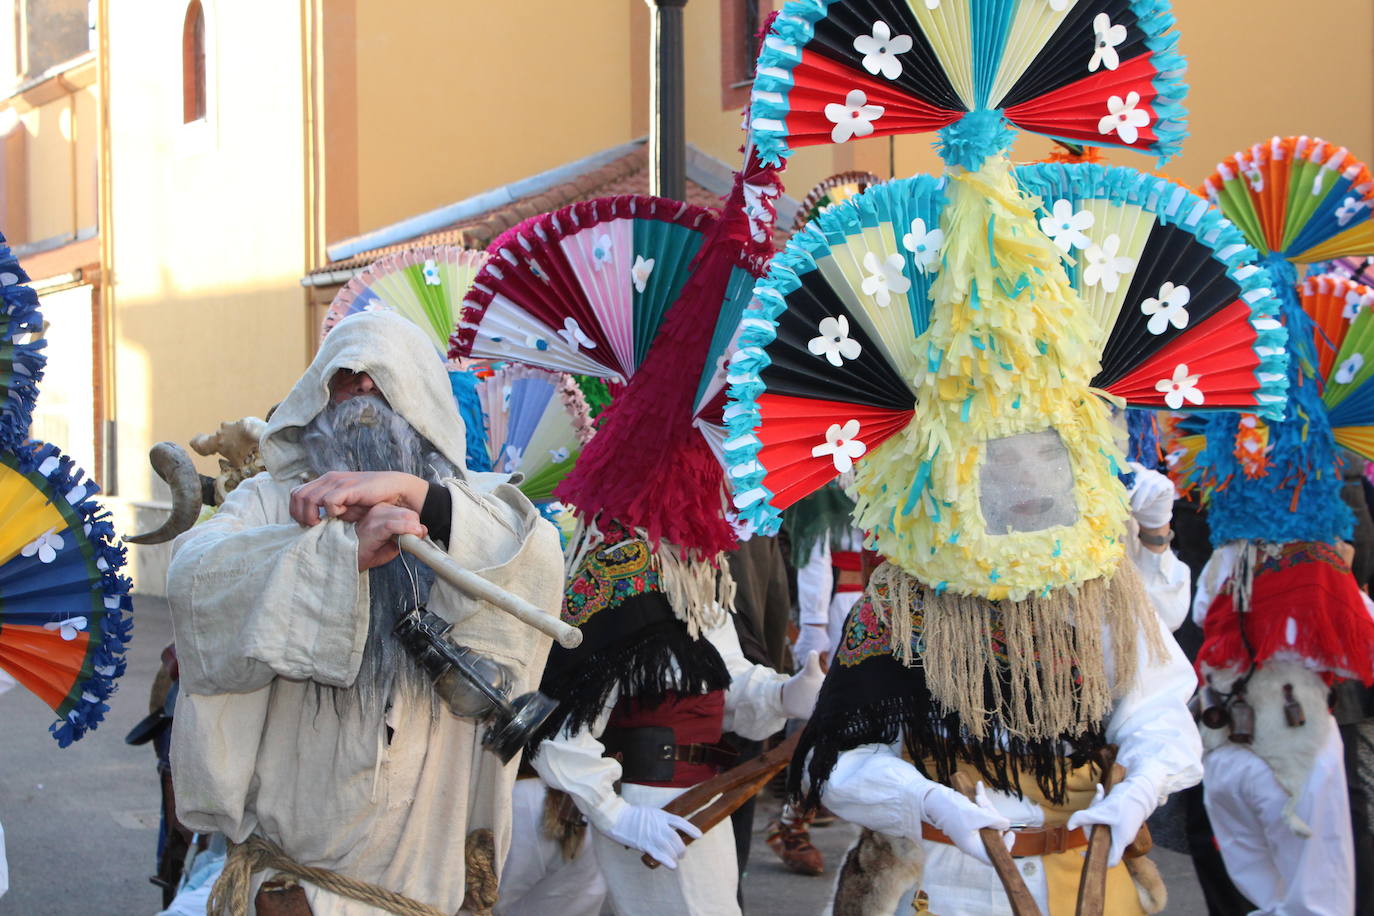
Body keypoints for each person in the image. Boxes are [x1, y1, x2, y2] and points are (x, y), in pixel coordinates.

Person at [166, 311, 564, 915]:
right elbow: (197, 582)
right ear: (316, 398)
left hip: (422, 877)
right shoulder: (271, 501)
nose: (362, 389)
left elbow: (532, 563)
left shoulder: (471, 510)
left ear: (422, 397)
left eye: (382, 377)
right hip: (295, 876)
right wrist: (336, 555)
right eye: (344, 377)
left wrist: (412, 494)